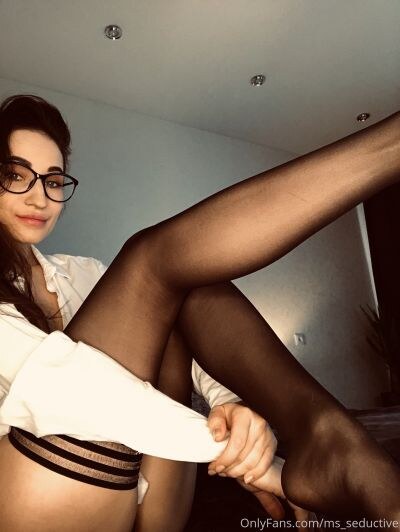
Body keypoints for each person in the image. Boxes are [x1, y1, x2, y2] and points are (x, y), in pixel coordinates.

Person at [0, 94, 399, 531]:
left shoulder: (86, 274)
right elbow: (67, 393)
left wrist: (232, 408)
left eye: (54, 181)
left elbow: (183, 350)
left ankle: (328, 435)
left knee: (185, 282)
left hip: (143, 500)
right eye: (15, 175)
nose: (39, 198)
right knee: (151, 260)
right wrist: (244, 457)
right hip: (31, 501)